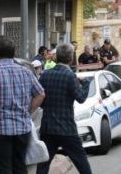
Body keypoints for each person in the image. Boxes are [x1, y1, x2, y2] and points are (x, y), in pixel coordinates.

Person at [0, 37, 45, 174]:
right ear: (14, 53)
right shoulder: (25, 72)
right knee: (20, 167)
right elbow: (40, 94)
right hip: (22, 130)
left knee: (3, 169)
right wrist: (27, 113)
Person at [36, 43, 93, 174]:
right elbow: (81, 98)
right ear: (71, 58)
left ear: (56, 58)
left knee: (43, 163)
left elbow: (40, 100)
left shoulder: (45, 75)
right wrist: (85, 83)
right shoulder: (70, 75)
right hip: (66, 128)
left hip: (48, 127)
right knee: (81, 161)